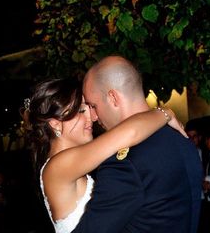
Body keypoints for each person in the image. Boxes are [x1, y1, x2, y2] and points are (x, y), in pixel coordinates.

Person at [24, 70, 189, 233]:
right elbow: (130, 133)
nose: (91, 117)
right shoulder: (58, 165)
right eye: (81, 111)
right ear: (54, 124)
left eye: (89, 108)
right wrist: (165, 112)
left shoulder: (67, 163)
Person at [74, 55, 203, 232]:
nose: (94, 118)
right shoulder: (181, 139)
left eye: (93, 106)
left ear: (113, 98)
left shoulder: (125, 163)